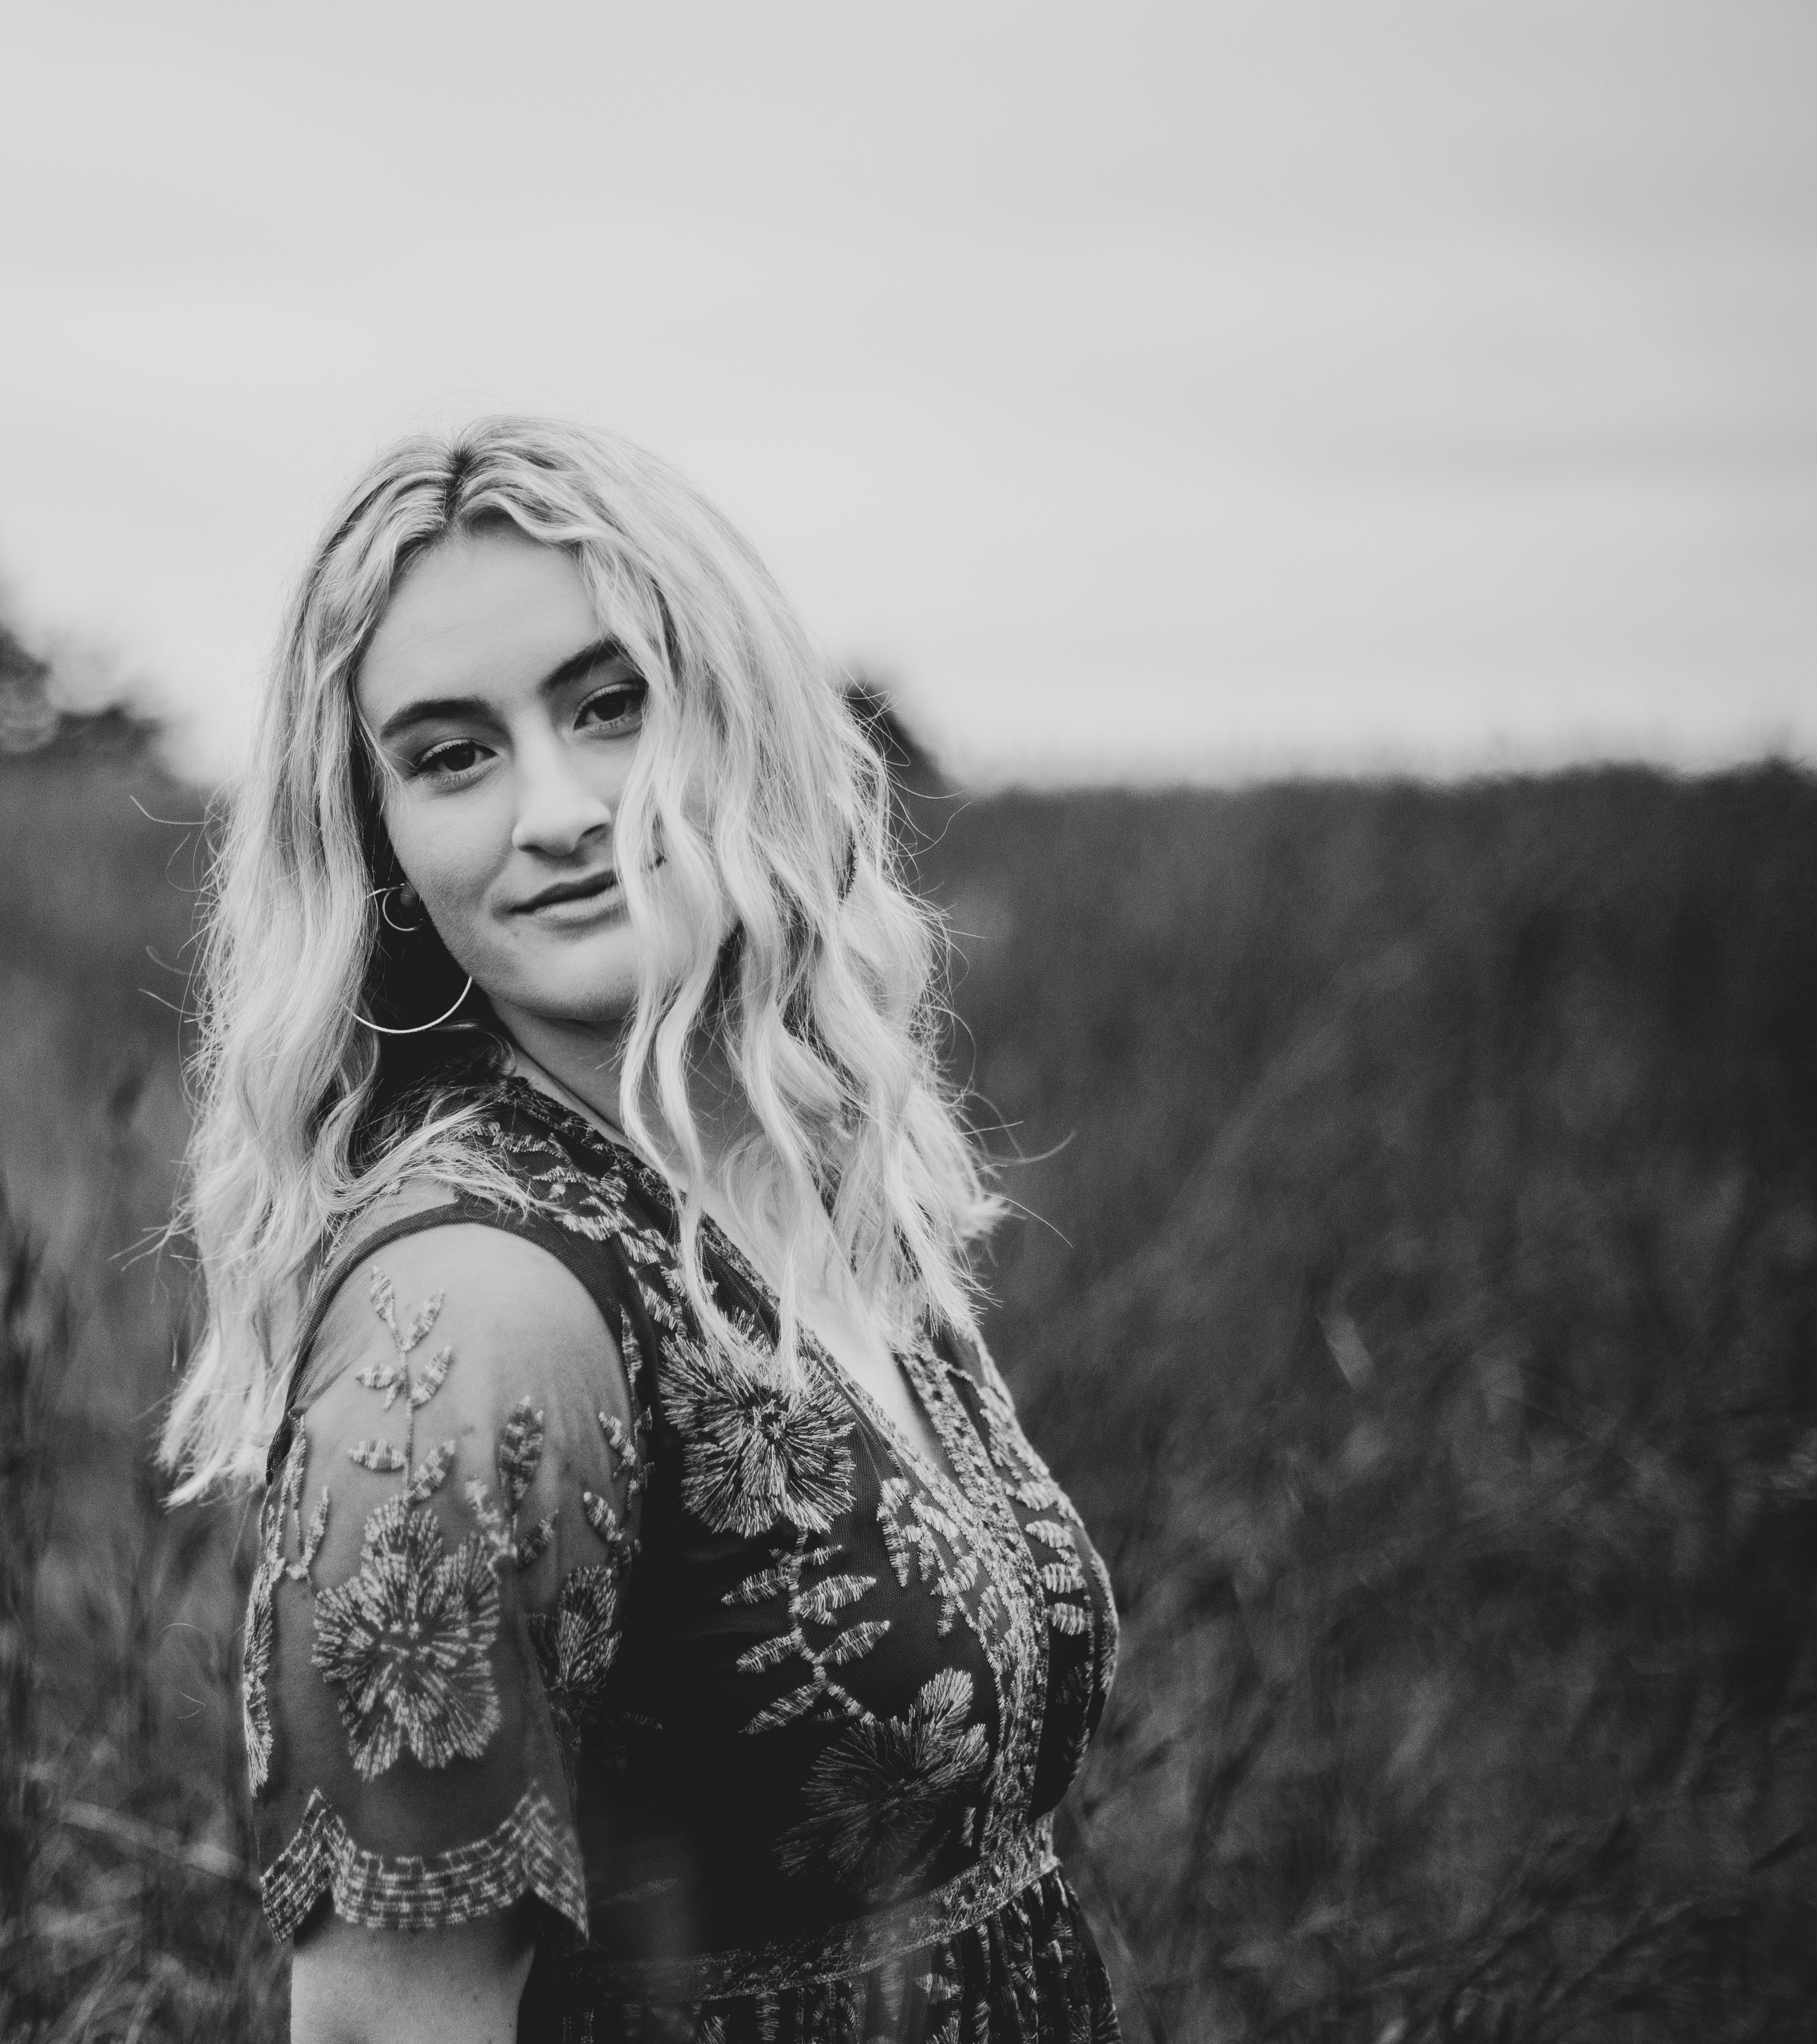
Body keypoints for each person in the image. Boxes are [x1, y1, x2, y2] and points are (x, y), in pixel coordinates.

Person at [163, 418, 1121, 2042]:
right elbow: (394, 2027)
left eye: (613, 707)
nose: (558, 806)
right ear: (381, 847)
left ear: (738, 716)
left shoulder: (784, 1184)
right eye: (452, 754)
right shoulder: (476, 1309)